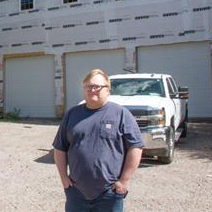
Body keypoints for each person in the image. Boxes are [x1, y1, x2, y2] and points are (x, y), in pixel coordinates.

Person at [53, 69, 144, 212]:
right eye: (88, 87)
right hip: (76, 192)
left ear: (107, 89)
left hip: (110, 193)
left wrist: (124, 181)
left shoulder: (121, 114)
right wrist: (64, 178)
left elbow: (136, 148)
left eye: (97, 86)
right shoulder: (72, 114)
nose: (92, 90)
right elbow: (60, 148)